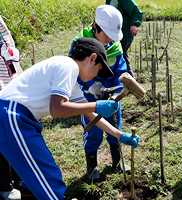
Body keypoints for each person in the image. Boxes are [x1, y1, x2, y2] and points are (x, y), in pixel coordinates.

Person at [0, 37, 140, 200]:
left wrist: (119, 135)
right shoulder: (68, 66)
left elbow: (90, 115)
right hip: (12, 115)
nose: (96, 76)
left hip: (15, 116)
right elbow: (57, 109)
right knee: (46, 175)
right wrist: (96, 105)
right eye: (98, 69)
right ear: (92, 58)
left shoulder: (71, 82)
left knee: (34, 174)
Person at [72, 5, 129, 181]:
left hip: (111, 98)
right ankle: (92, 167)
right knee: (93, 133)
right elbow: (74, 72)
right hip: (88, 98)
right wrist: (89, 86)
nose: (111, 39)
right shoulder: (80, 45)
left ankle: (117, 161)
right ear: (96, 27)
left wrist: (117, 91)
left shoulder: (115, 48)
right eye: (107, 35)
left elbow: (121, 73)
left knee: (115, 128)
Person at [0, 15, 23, 200]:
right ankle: (5, 184)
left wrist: (14, 66)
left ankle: (18, 178)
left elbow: (7, 39)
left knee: (13, 132)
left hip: (8, 83)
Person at [106, 0, 143, 76]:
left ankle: (130, 78)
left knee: (121, 52)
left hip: (125, 32)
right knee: (117, 54)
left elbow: (136, 11)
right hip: (114, 32)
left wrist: (135, 24)